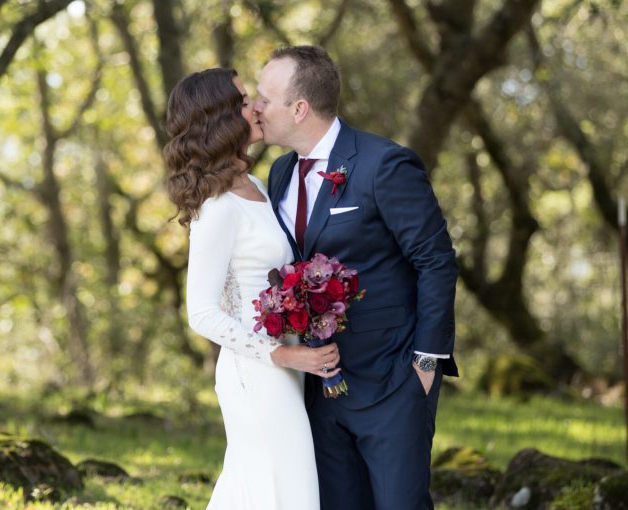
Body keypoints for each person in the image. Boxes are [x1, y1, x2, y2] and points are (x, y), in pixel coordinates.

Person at [254, 46, 459, 510]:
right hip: (317, 387)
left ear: (299, 108)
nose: (256, 108)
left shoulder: (384, 164)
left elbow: (436, 261)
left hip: (392, 382)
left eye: (266, 98)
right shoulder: (281, 172)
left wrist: (425, 364)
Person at [165, 68, 338, 509]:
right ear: (222, 119)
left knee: (263, 491)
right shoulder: (218, 205)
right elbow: (201, 311)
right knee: (283, 492)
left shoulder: (255, 186)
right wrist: (282, 353)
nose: (257, 107)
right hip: (255, 375)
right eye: (245, 101)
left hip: (283, 371)